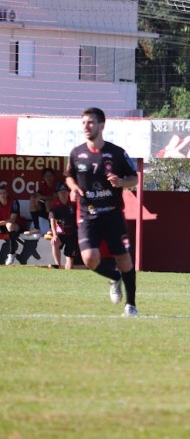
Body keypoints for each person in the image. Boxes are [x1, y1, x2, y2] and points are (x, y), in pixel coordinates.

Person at [65, 107, 139, 316]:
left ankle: (131, 305)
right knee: (89, 259)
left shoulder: (116, 153)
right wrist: (73, 187)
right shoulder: (76, 153)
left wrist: (120, 182)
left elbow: (134, 178)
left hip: (113, 214)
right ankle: (114, 277)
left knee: (124, 259)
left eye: (90, 122)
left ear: (101, 125)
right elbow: (69, 175)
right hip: (88, 215)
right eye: (84, 123)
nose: (86, 127)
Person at [47, 183, 79, 269]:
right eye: (61, 192)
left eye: (65, 192)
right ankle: (58, 265)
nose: (63, 194)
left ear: (68, 193)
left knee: (70, 259)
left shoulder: (73, 203)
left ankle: (68, 274)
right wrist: (54, 235)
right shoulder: (55, 205)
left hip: (72, 233)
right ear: (58, 194)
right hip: (60, 232)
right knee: (54, 243)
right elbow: (52, 220)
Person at [28, 168, 59, 233]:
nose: (48, 178)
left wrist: (43, 197)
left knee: (48, 203)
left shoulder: (57, 185)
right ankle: (36, 228)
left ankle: (51, 229)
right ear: (44, 177)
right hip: (46, 212)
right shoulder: (43, 186)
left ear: (53, 176)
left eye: (50, 176)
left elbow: (54, 197)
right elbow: (38, 194)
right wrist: (35, 197)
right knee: (32, 200)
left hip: (57, 212)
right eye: (46, 176)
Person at [0, 183, 21, 265]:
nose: (2, 195)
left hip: (16, 225)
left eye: (4, 193)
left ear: (7, 194)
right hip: (2, 226)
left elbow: (12, 219)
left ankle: (11, 254)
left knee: (9, 225)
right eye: (0, 193)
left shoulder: (14, 202)